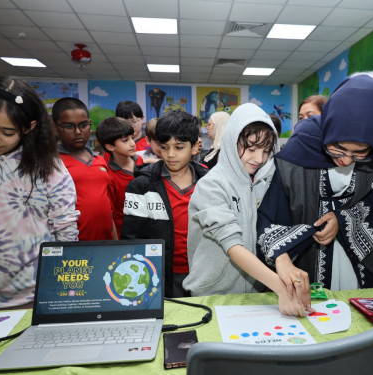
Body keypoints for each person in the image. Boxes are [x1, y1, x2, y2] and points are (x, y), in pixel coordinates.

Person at [257, 75, 373, 291]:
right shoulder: (302, 143)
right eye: (337, 149)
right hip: (306, 257)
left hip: (362, 257)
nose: (346, 160)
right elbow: (272, 213)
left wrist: (342, 220)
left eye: (360, 154)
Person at [0, 76, 79, 311]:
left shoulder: (49, 167)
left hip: (36, 296)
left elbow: (65, 230)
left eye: (7, 131)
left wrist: (63, 288)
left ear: (29, 127)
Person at [183, 103, 312, 317]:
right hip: (211, 296)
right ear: (232, 140)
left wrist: (282, 260)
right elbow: (233, 246)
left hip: (254, 293)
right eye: (251, 149)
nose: (259, 159)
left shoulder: (264, 182)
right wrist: (281, 287)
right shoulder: (211, 185)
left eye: (265, 150)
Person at [121, 110, 208, 297]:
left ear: (194, 147)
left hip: (204, 272)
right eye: (164, 147)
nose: (170, 154)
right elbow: (131, 238)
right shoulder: (141, 186)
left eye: (178, 147)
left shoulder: (210, 185)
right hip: (160, 275)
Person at [53, 98, 117, 240]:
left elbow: (108, 208)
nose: (78, 132)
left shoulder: (100, 160)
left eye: (83, 125)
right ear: (55, 128)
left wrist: (115, 242)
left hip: (105, 243)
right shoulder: (53, 163)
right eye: (69, 126)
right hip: (72, 245)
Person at [95, 117, 142, 237]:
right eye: (125, 140)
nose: (132, 143)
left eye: (132, 137)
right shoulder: (108, 175)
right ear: (110, 147)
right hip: (124, 234)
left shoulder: (139, 160)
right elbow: (111, 216)